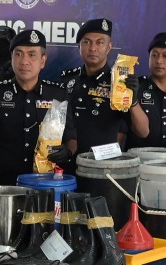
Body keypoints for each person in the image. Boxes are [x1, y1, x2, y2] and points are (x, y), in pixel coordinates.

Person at [51, 18, 148, 168]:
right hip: (67, 166)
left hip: (102, 168)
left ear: (109, 47)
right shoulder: (67, 79)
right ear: (79, 46)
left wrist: (133, 101)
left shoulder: (119, 83)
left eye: (100, 42)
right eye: (87, 42)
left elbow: (143, 132)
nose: (93, 48)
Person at [0, 29, 66, 186]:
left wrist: (67, 151)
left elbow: (71, 137)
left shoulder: (57, 94)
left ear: (43, 61)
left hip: (46, 184)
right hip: (3, 185)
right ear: (11, 58)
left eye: (32, 55)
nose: (24, 61)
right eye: (18, 54)